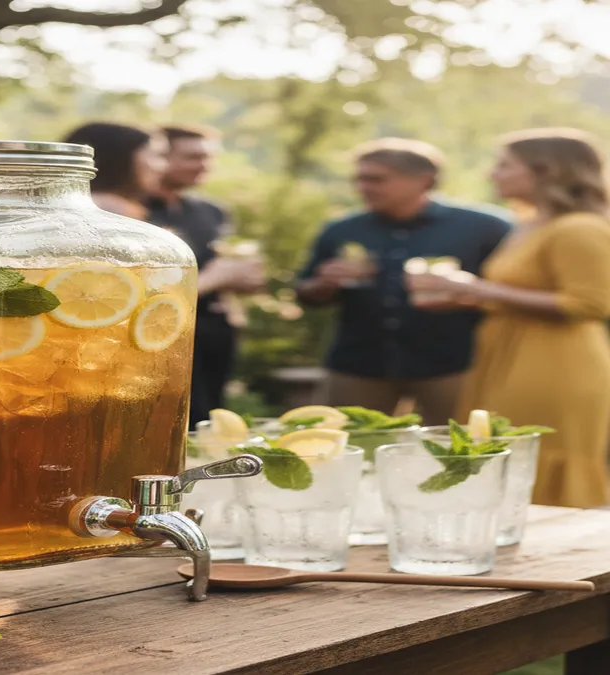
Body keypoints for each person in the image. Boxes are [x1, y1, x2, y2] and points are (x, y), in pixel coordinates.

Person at [407, 128, 610, 508]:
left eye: (504, 165)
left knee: (530, 453)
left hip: (554, 365)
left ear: (545, 170)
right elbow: (520, 296)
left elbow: (591, 304)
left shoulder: (580, 228)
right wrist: (462, 299)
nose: (492, 174)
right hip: (503, 356)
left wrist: (475, 289)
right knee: (496, 450)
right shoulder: (530, 225)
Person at [296, 138, 511, 425]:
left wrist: (464, 292)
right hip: (358, 365)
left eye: (376, 179)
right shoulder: (341, 229)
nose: (363, 188)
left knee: (458, 454)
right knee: (348, 450)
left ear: (423, 180)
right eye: (359, 179)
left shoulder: (486, 227)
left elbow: (511, 291)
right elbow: (304, 294)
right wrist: (323, 284)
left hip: (454, 365)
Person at [146, 125, 265, 423]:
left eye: (208, 158)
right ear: (160, 157)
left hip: (216, 333)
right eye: (192, 157)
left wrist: (245, 278)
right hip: (167, 335)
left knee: (211, 417)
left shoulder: (213, 211)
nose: (203, 166)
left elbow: (229, 272)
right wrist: (217, 277)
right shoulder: (132, 212)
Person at [62, 123, 167, 220]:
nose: (162, 166)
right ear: (120, 158)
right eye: (155, 155)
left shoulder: (66, 206)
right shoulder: (112, 211)